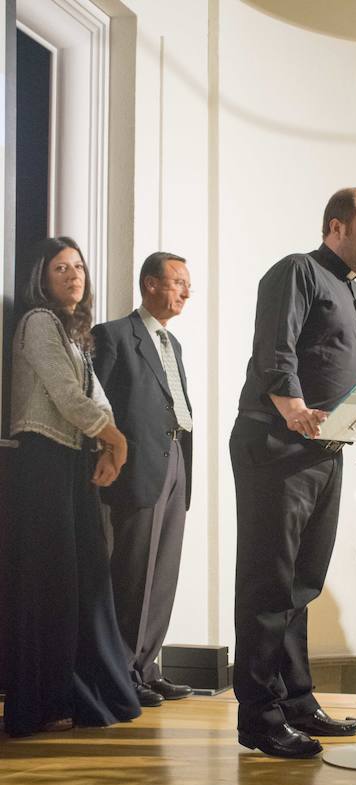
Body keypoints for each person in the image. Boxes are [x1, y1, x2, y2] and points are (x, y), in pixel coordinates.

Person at [230, 187, 356, 759]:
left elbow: (351, 379)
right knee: (267, 583)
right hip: (275, 445)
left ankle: (297, 700)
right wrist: (294, 408)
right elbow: (276, 349)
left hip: (326, 452)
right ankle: (259, 715)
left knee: (302, 585)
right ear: (337, 227)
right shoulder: (298, 272)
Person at [5, 236, 140, 737]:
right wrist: (116, 442)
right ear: (42, 277)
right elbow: (66, 396)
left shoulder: (75, 332)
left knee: (85, 580)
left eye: (79, 267)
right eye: (60, 268)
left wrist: (108, 443)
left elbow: (95, 396)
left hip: (70, 459)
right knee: (53, 584)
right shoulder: (38, 322)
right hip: (41, 463)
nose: (73, 275)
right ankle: (46, 700)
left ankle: (83, 693)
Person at [92, 252, 193, 707]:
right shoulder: (113, 335)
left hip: (175, 459)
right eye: (178, 282)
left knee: (163, 573)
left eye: (188, 283)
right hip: (136, 466)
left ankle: (147, 669)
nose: (186, 291)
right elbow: (99, 405)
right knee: (132, 574)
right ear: (150, 284)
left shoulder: (175, 346)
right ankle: (120, 673)